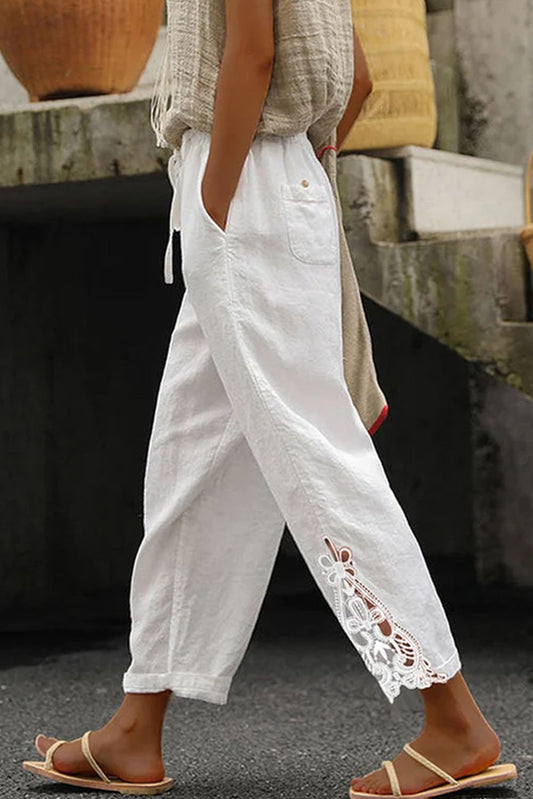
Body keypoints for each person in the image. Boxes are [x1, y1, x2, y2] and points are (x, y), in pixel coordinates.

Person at [23, 0, 517, 796]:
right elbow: (353, 76)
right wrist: (287, 178)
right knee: (189, 463)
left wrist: (217, 201)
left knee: (318, 462)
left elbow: (251, 55)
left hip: (239, 198)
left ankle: (453, 717)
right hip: (271, 186)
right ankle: (134, 726)